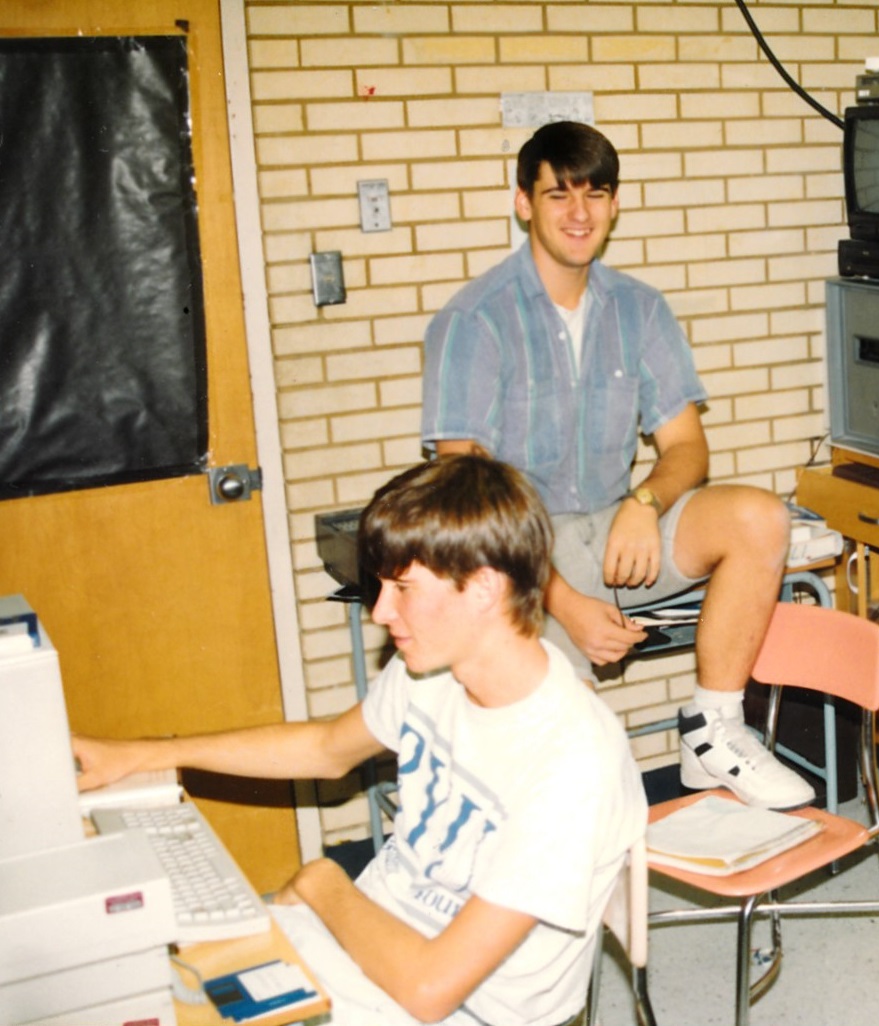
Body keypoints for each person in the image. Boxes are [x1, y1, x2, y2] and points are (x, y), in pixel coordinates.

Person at [73, 454, 647, 1026]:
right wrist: (146, 755)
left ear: (483, 588)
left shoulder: (574, 761)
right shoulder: (428, 672)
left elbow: (430, 989)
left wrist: (324, 883)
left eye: (402, 587)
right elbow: (325, 749)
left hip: (464, 1009)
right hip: (367, 947)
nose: (379, 612)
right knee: (134, 985)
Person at [421, 121, 812, 811]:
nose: (579, 214)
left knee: (758, 516)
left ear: (615, 204)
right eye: (558, 195)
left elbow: (688, 448)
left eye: (595, 194)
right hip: (514, 555)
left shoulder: (640, 309)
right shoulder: (473, 320)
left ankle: (713, 730)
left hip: (611, 533)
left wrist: (644, 503)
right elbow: (466, 494)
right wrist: (565, 604)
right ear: (522, 203)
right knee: (569, 782)